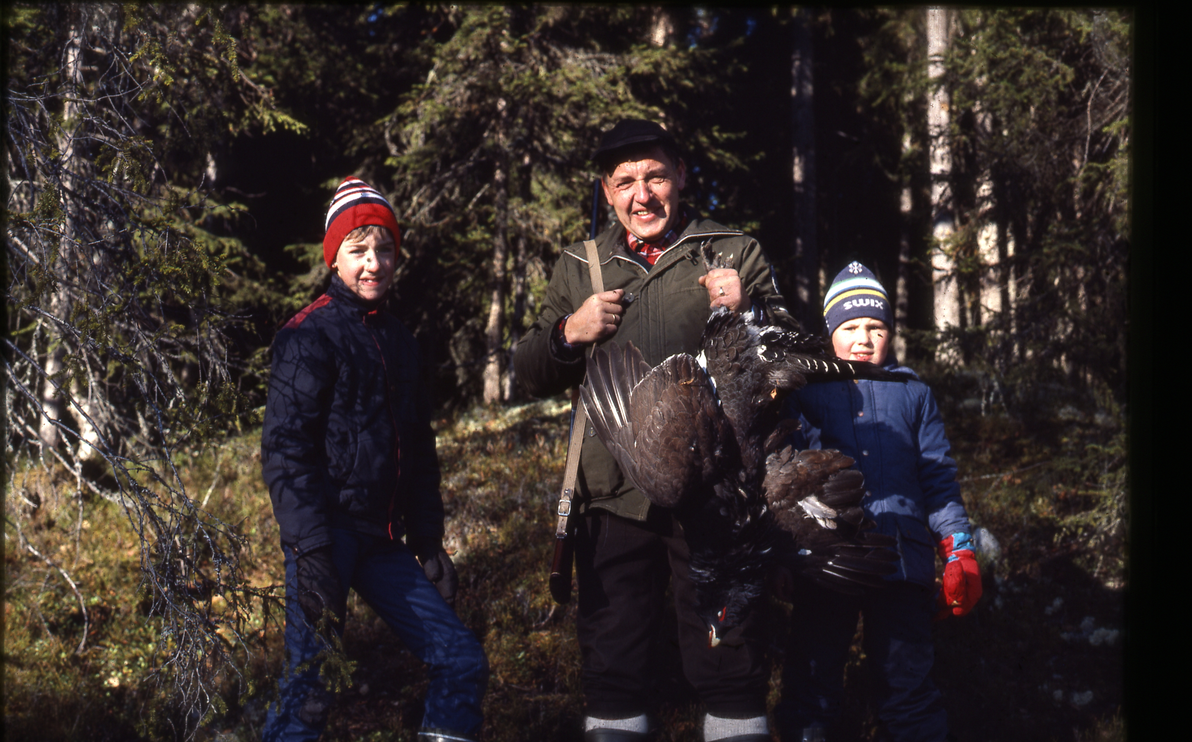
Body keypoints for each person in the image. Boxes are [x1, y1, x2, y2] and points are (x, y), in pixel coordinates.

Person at [514, 119, 798, 742]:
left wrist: (747, 310)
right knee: (614, 664)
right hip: (610, 496)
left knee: (731, 659)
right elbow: (526, 370)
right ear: (607, 191)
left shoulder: (731, 250)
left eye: (656, 177)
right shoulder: (579, 266)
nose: (643, 195)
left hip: (718, 496)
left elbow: (789, 358)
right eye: (626, 182)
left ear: (681, 177)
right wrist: (571, 332)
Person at [260, 177, 488, 742]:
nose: (374, 263)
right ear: (333, 257)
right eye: (359, 250)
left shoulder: (402, 341)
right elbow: (285, 450)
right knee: (310, 688)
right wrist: (309, 548)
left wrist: (429, 543)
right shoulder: (307, 335)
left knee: (461, 661)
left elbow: (419, 448)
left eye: (384, 249)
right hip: (326, 538)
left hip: (383, 542)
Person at [773, 261, 982, 742]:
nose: (863, 338)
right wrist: (782, 556)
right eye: (849, 327)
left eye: (875, 326)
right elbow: (783, 482)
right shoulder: (805, 391)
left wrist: (959, 548)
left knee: (908, 688)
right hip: (827, 562)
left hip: (902, 563)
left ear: (890, 332)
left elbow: (937, 477)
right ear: (829, 333)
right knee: (812, 688)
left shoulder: (914, 392)